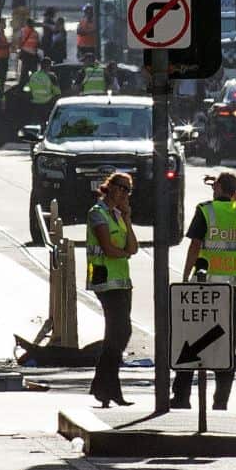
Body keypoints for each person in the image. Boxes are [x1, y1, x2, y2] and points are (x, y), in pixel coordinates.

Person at [170, 172, 236, 411]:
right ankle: (221, 401)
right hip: (233, 289)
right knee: (227, 346)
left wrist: (185, 276)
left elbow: (195, 246)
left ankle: (182, 397)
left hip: (205, 288)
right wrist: (226, 186)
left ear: (217, 187)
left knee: (190, 343)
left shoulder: (206, 210)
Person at [86, 172, 139, 407]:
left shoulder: (118, 215)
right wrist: (123, 253)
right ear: (111, 188)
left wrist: (127, 217)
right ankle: (107, 388)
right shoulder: (97, 214)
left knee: (119, 333)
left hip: (122, 280)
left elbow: (133, 247)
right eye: (122, 188)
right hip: (105, 279)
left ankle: (104, 386)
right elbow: (109, 248)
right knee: (119, 331)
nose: (125, 194)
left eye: (128, 190)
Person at [26, 57, 60, 125]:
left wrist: (30, 98)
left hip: (35, 104)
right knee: (48, 124)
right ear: (49, 65)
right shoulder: (51, 76)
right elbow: (57, 92)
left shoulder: (33, 75)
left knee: (36, 125)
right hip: (47, 104)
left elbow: (27, 89)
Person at [17, 18, 40, 83]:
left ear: (26, 23)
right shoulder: (36, 33)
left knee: (24, 72)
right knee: (34, 72)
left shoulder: (22, 31)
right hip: (33, 54)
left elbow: (19, 42)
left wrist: (19, 51)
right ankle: (33, 85)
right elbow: (38, 44)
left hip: (25, 54)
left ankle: (21, 86)